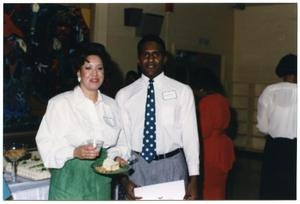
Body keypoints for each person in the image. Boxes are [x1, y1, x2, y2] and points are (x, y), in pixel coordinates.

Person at [35, 42, 130, 200]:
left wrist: (116, 157)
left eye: (99, 68)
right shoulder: (60, 104)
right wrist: (74, 152)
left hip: (101, 186)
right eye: (88, 68)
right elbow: (46, 147)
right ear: (78, 72)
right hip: (68, 186)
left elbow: (122, 143)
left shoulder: (112, 105)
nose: (95, 74)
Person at [115, 34, 199, 200]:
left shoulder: (182, 91)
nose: (151, 59)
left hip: (172, 165)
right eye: (145, 55)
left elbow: (191, 138)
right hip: (136, 166)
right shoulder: (124, 95)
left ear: (165, 58)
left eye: (156, 54)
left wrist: (194, 179)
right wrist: (124, 178)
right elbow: (121, 141)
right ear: (139, 59)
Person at [189, 68, 235, 200]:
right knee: (219, 189)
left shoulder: (206, 102)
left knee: (207, 189)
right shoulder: (222, 99)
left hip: (209, 150)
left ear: (201, 88)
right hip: (223, 148)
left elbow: (204, 131)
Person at [257, 54, 297, 200]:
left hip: (273, 146)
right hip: (294, 148)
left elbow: (262, 126)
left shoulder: (269, 91)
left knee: (271, 187)